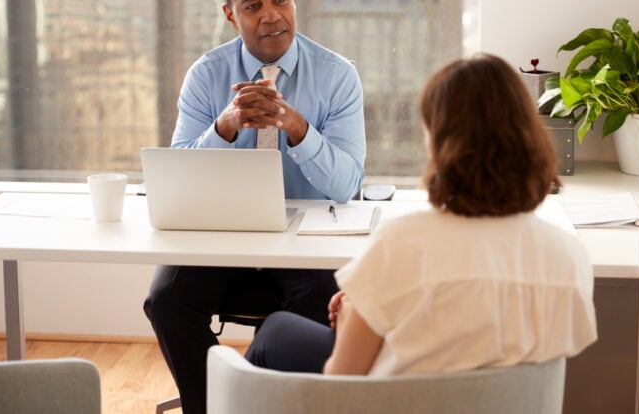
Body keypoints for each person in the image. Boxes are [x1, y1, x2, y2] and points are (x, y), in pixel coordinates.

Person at [244, 53, 598, 376]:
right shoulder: (569, 257)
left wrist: (356, 311)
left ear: (442, 143)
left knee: (275, 331)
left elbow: (342, 381)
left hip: (402, 400)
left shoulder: (404, 243)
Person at [143, 0, 366, 414]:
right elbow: (179, 174)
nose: (271, 15)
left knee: (314, 307)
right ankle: (210, 407)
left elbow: (346, 184)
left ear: (293, 0)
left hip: (305, 246)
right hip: (224, 238)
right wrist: (224, 128)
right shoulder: (207, 75)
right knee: (165, 301)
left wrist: (298, 129)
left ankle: (267, 405)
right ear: (230, 14)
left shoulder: (338, 76)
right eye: (252, 6)